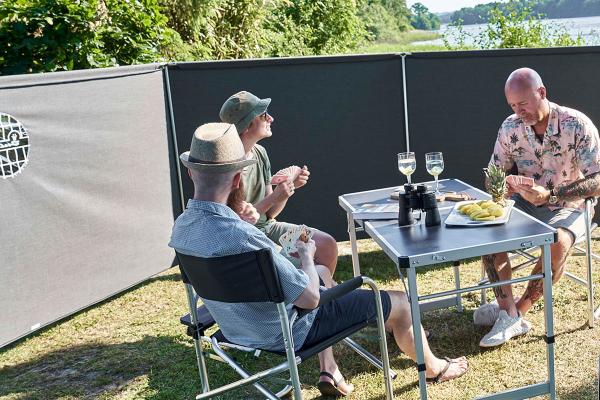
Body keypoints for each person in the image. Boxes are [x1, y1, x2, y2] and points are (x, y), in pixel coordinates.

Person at [169, 123, 468, 396]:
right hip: (288, 331)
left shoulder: (182, 229)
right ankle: (435, 368)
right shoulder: (245, 237)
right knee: (400, 303)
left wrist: (313, 267)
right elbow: (310, 299)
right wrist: (306, 256)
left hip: (235, 327)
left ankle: (330, 368)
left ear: (191, 173)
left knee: (325, 272)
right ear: (237, 179)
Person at [475, 67, 600, 347]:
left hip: (571, 204)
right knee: (489, 236)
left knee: (556, 242)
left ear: (541, 92)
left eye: (523, 103)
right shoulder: (510, 127)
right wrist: (500, 185)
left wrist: (552, 194)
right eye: (513, 106)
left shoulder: (576, 124)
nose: (519, 111)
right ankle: (506, 311)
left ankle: (516, 313)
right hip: (525, 203)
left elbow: (598, 179)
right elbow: (493, 174)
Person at [219, 91, 339, 276]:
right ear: (247, 125)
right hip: (247, 240)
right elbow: (237, 224)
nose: (271, 118)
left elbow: (270, 214)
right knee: (308, 265)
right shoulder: (227, 167)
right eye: (264, 115)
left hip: (268, 228)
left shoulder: (260, 152)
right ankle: (307, 290)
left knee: (326, 244)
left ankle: (314, 292)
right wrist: (275, 196)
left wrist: (288, 189)